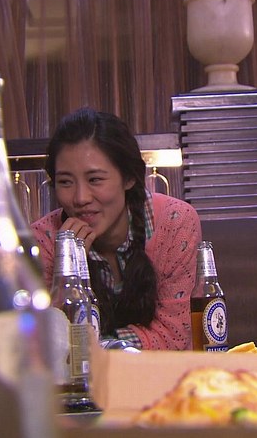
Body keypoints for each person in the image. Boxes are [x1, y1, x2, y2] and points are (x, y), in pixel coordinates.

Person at [32, 107, 201, 350]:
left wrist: (96, 346)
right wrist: (66, 277)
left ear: (129, 178)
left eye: (95, 179)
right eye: (65, 182)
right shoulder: (44, 240)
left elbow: (173, 336)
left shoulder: (175, 222)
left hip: (163, 372)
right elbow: (47, 347)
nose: (80, 198)